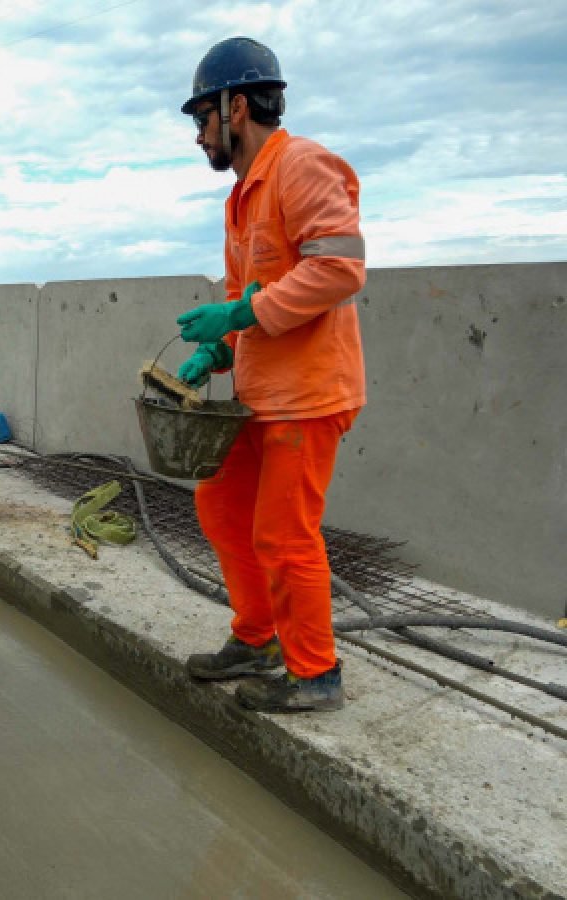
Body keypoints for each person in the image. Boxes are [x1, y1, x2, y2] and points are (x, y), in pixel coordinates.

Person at [176, 37, 366, 712]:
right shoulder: (241, 198)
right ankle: (256, 638)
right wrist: (219, 347)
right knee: (221, 505)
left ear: (235, 106)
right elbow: (252, 298)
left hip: (308, 395)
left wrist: (239, 309)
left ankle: (316, 676)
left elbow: (339, 269)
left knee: (286, 534)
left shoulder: (302, 166)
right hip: (260, 393)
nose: (198, 135)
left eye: (201, 118)